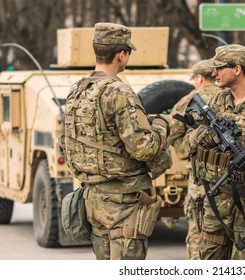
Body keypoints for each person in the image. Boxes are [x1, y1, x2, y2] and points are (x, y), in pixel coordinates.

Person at [62, 22, 170, 260]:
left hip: (94, 197)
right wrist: (162, 126)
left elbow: (68, 140)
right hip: (123, 203)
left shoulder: (77, 90)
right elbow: (143, 148)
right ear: (122, 54)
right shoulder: (119, 92)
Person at [183, 44, 245, 260]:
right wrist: (203, 136)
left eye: (219, 68)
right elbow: (187, 143)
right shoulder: (216, 102)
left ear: (237, 69)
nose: (213, 73)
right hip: (216, 201)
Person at [168, 58, 220, 260]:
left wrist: (186, 153)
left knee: (199, 230)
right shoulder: (230, 95)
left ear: (199, 78)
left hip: (200, 179)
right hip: (232, 176)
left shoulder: (189, 100)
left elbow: (172, 131)